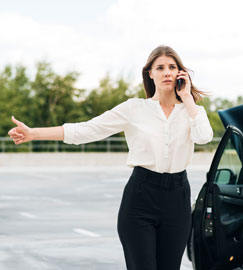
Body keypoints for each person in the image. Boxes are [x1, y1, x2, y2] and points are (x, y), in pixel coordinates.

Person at [8, 45, 213, 270]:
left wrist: (187, 97)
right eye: (160, 67)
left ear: (180, 74)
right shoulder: (134, 109)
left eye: (172, 67)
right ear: (150, 73)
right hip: (141, 198)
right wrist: (34, 133)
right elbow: (87, 130)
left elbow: (204, 137)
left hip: (177, 198)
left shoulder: (192, 112)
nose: (167, 72)